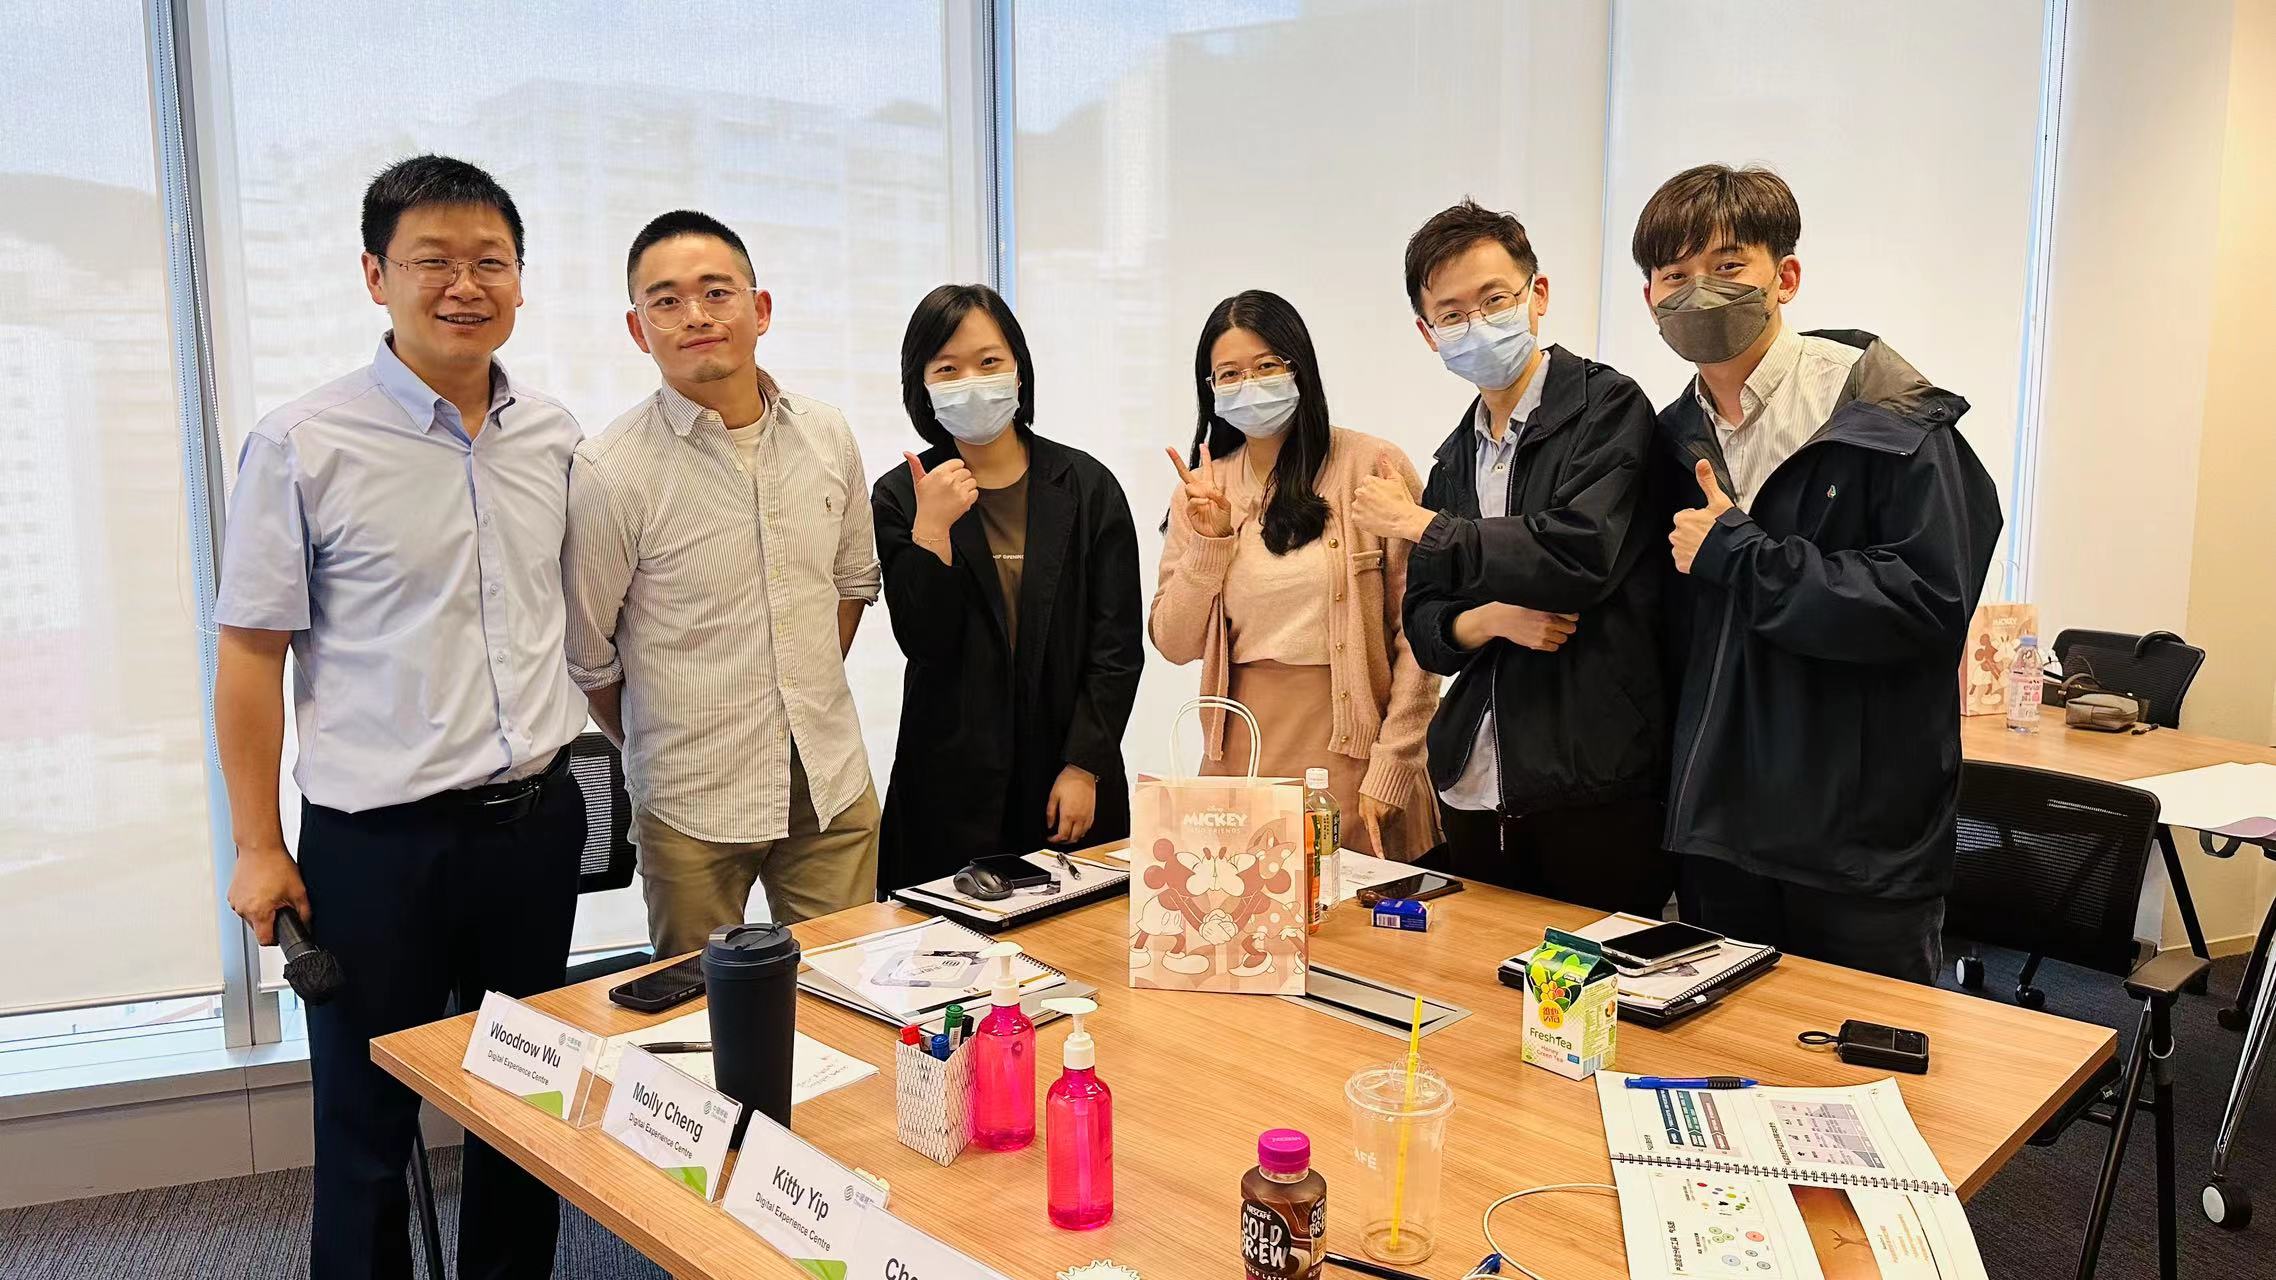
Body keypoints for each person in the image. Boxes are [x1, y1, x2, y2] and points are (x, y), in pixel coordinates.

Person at [215, 155, 584, 1280]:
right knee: (368, 1128)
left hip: (533, 828)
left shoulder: (555, 435)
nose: (464, 285)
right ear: (376, 276)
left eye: (490, 261)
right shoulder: (303, 443)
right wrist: (257, 845)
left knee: (524, 1109)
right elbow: (249, 655)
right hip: (377, 846)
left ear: (519, 279)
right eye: (433, 261)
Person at [1636, 164, 2001, 983]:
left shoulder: (1886, 416)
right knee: (1724, 1050)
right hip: (1723, 830)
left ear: (1786, 277)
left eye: (1728, 266)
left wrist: (1741, 555)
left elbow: (1927, 601)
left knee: (1866, 1052)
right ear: (1650, 300)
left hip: (1859, 840)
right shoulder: (1670, 439)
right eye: (1675, 275)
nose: (1700, 291)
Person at [562, 210, 882, 956]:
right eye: (666, 301)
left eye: (716, 292)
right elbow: (590, 656)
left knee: (848, 987)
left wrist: (795, 687)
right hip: (691, 802)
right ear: (639, 329)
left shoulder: (828, 434)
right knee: (701, 1008)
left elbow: (849, 584)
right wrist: (663, 738)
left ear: (759, 309)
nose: (696, 316)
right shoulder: (611, 471)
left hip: (828, 782)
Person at [1350, 199, 1675, 915]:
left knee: (1599, 972)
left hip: (1594, 777)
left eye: (1494, 300)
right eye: (1452, 313)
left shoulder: (1607, 408)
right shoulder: (1454, 455)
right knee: (1479, 972)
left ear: (1538, 295)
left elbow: (1579, 553)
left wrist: (1423, 526)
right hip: (1476, 779)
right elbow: (1427, 625)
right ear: (1428, 333)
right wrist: (1493, 618)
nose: (1476, 323)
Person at [869, 285, 1144, 891]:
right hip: (949, 783)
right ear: (922, 385)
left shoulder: (1086, 485)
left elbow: (1116, 647)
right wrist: (931, 530)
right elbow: (925, 643)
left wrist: (1085, 765)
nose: (971, 382)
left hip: (1066, 775)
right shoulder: (901, 493)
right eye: (948, 369)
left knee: (1078, 935)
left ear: (1019, 370)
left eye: (989, 362)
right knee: (946, 941)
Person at [1150, 289, 1438, 858]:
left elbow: (1420, 635)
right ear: (1210, 390)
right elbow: (1173, 644)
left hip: (1352, 751)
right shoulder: (1202, 490)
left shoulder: (1370, 465)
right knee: (1239, 904)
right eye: (1229, 374)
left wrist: (1394, 764)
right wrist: (1210, 543)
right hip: (1240, 749)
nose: (1249, 385)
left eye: (1266, 366)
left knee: (1352, 905)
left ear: (1298, 367)